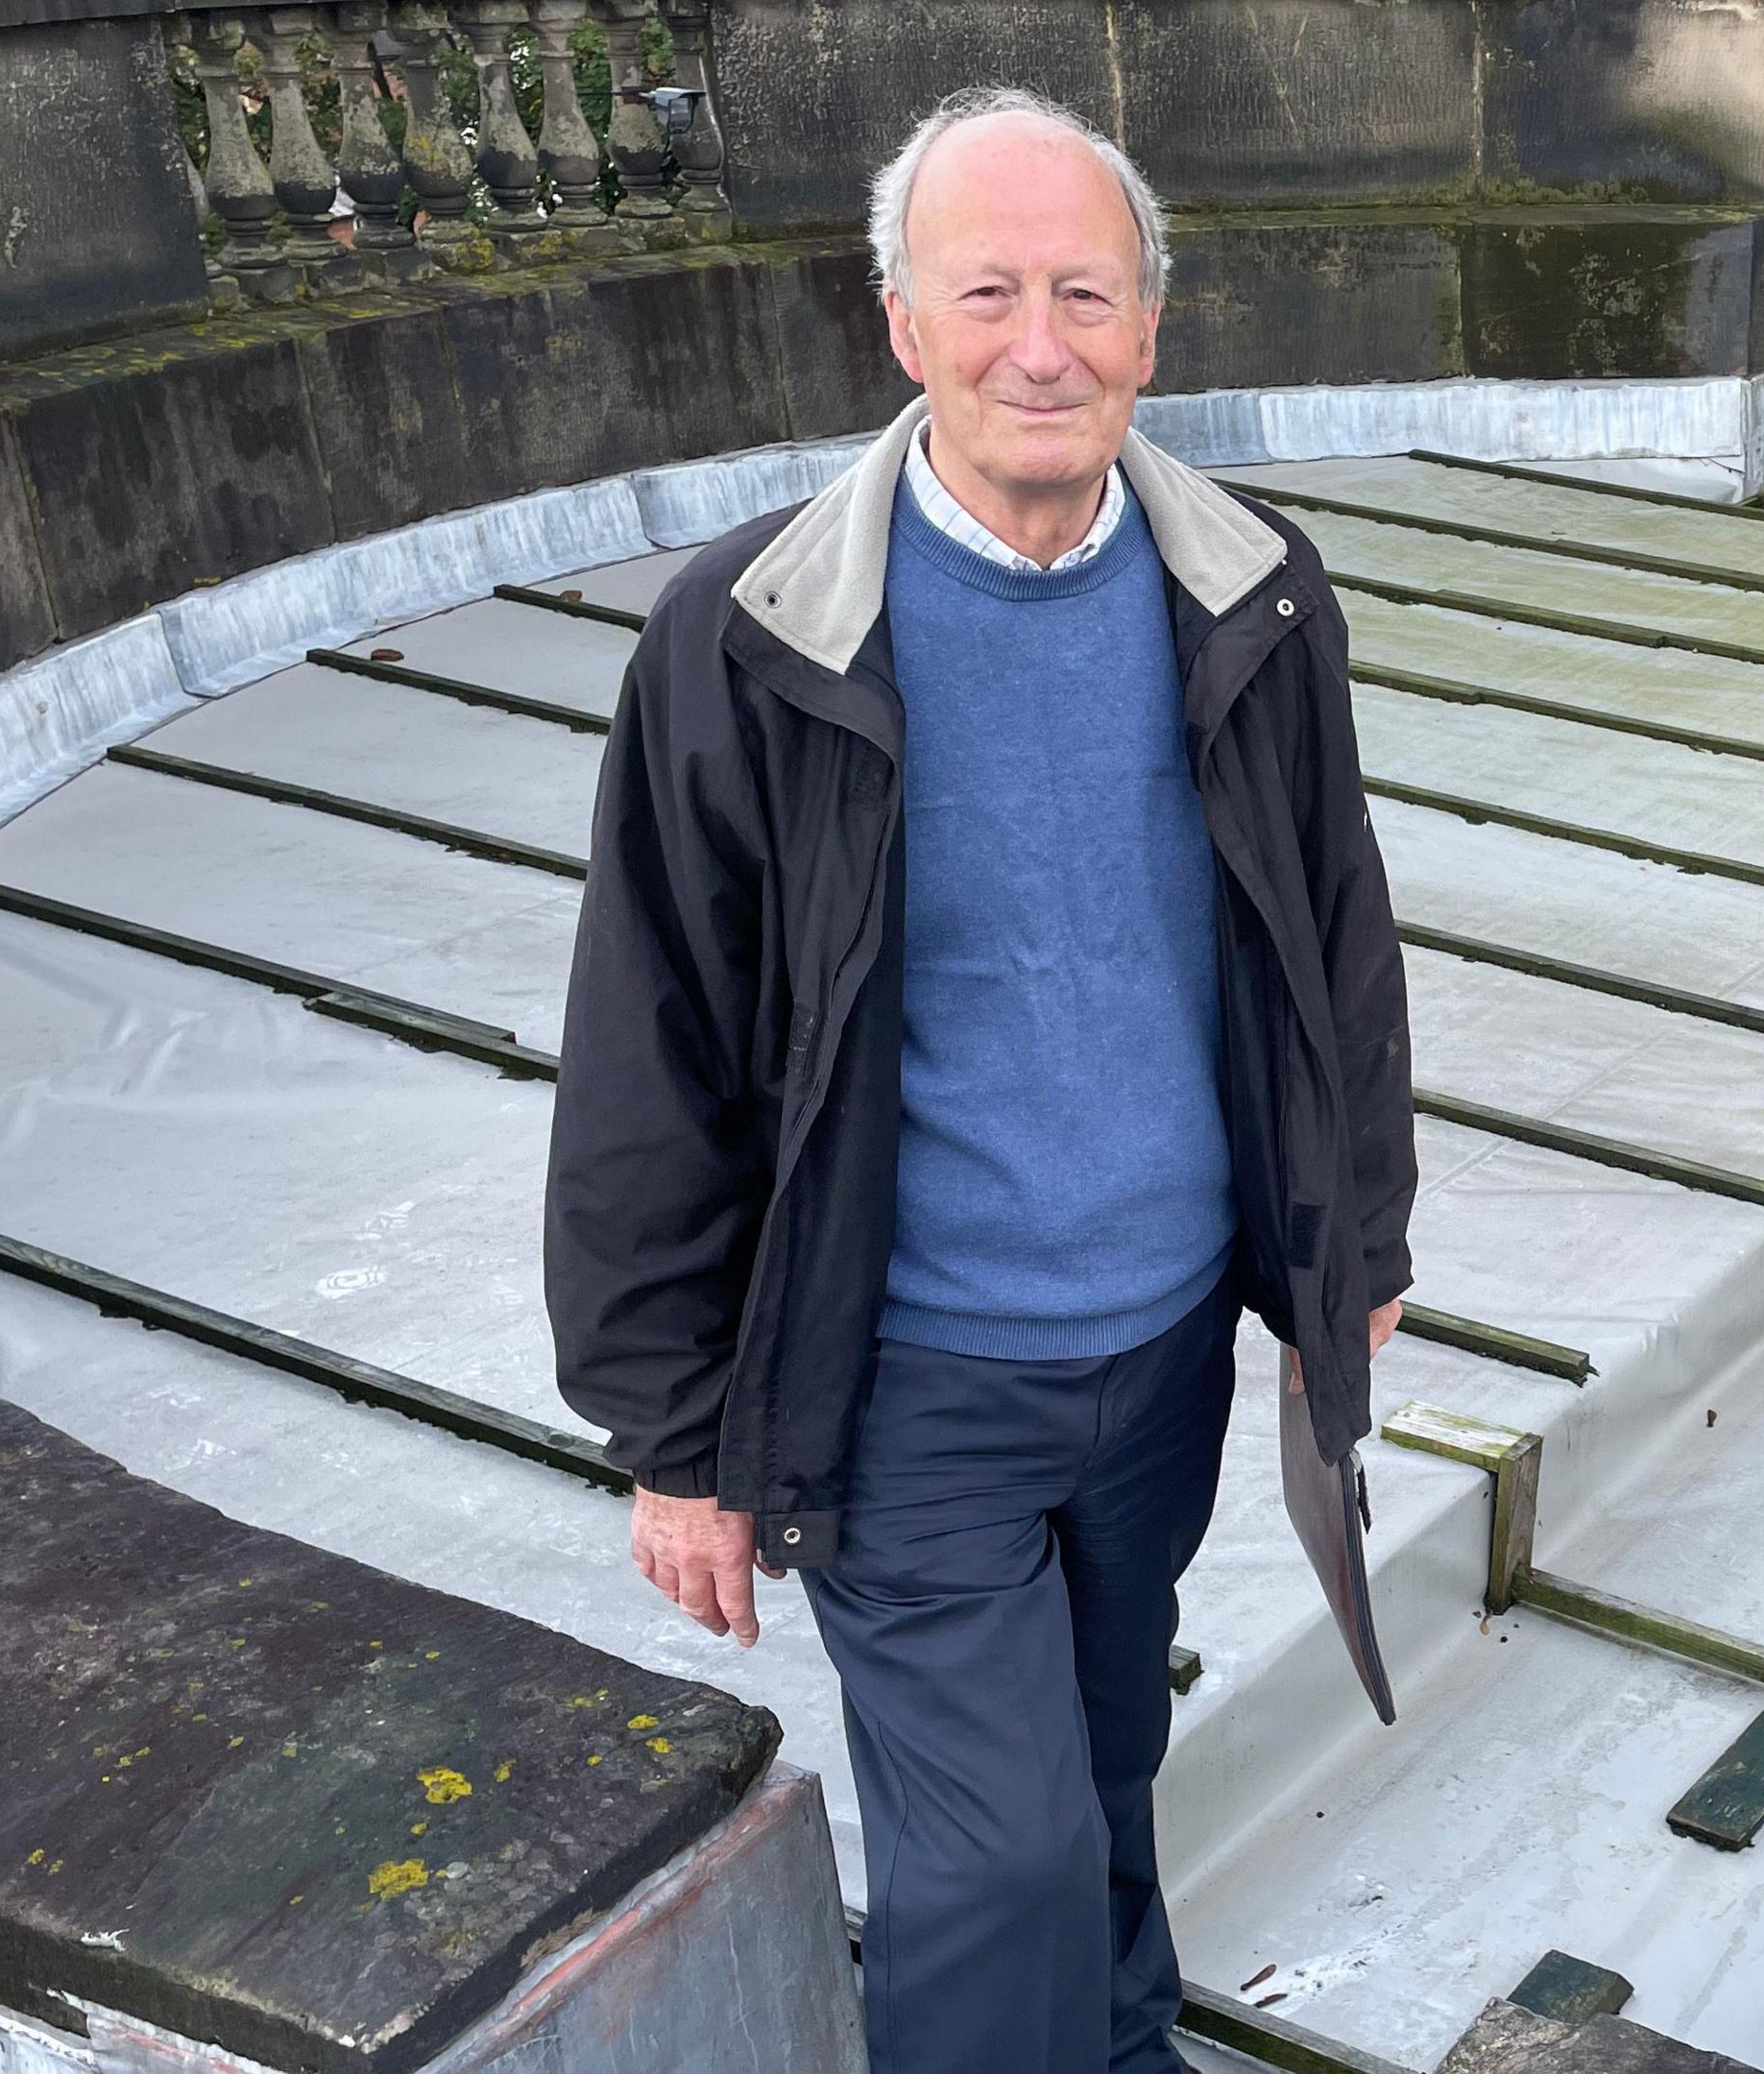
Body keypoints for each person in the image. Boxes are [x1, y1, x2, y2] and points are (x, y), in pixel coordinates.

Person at [541, 85, 1418, 2074]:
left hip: (1161, 1353)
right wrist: (671, 1428)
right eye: (992, 292)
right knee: (992, 1861)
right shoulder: (752, 641)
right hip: (909, 1374)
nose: (1046, 343)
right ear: (903, 326)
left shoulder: (1253, 596)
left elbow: (1337, 949)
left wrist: (1348, 1240)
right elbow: (648, 1047)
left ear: (1152, 328)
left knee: (1103, 1771)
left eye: (1088, 294)